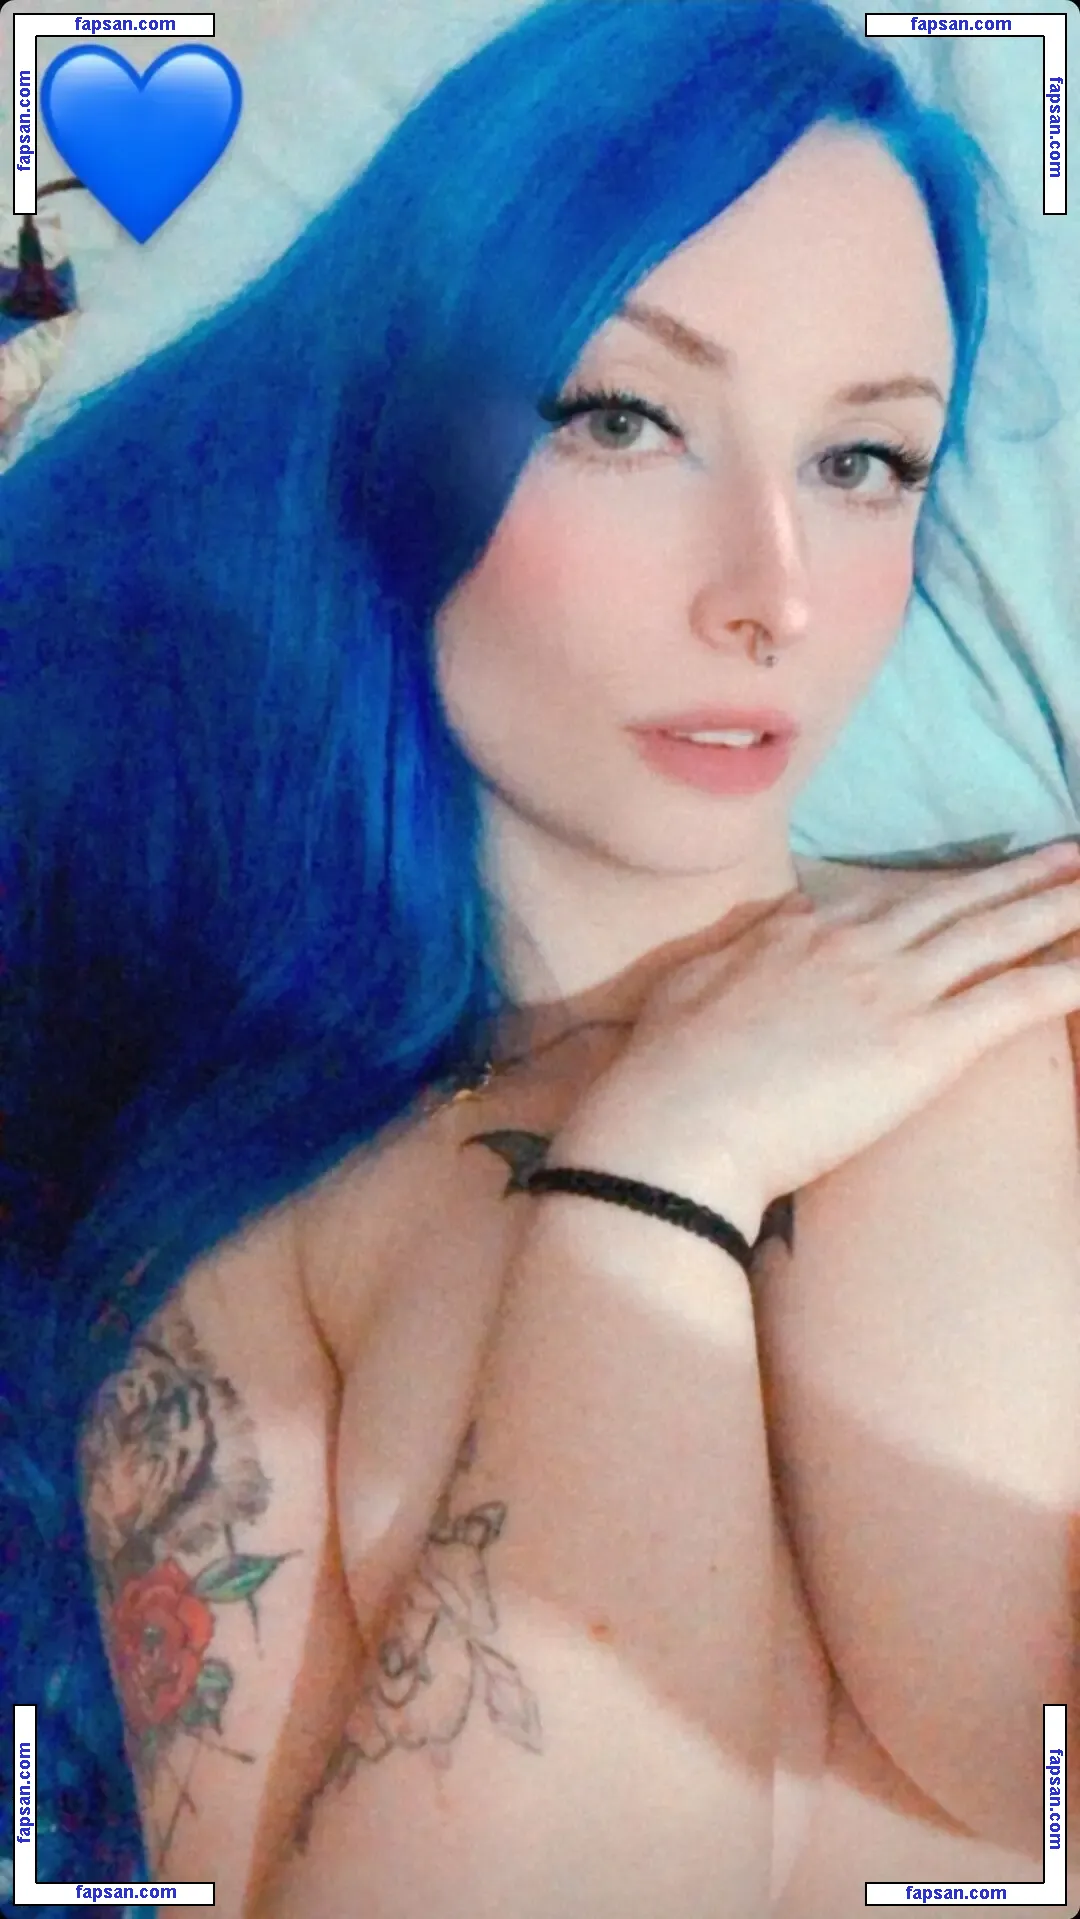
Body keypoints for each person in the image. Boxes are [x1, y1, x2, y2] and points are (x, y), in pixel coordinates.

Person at [0, 2, 1076, 1914]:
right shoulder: (235, 1227)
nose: (771, 594)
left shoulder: (1021, 984)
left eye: (865, 460)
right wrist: (660, 1170)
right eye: (621, 419)